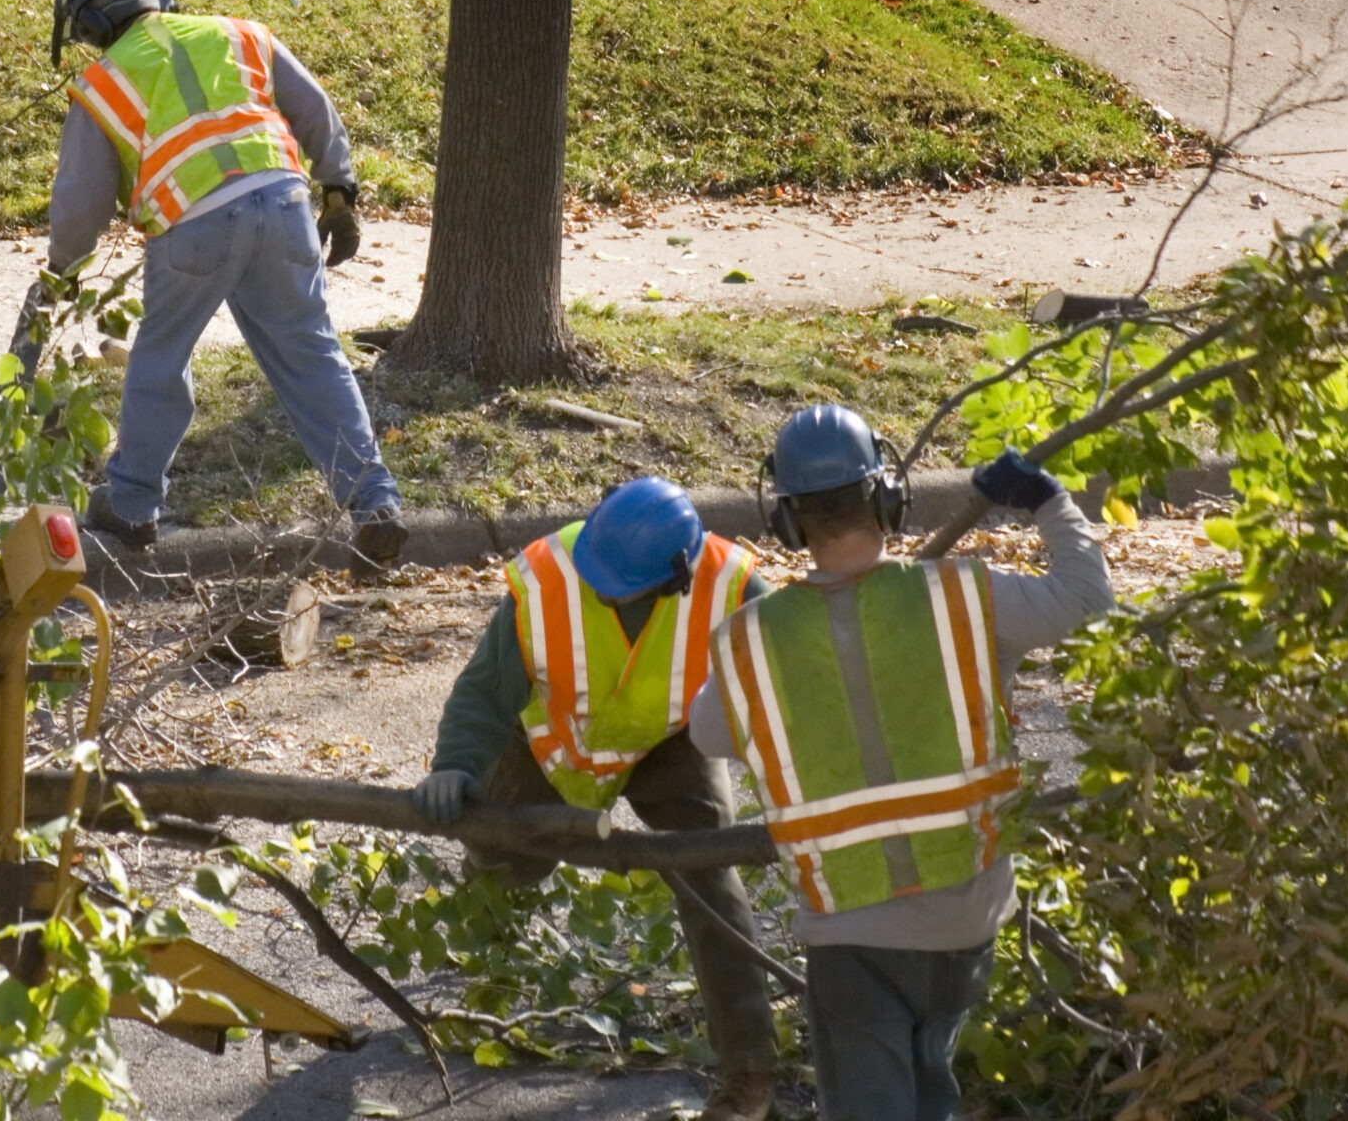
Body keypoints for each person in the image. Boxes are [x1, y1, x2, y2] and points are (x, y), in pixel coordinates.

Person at [690, 406, 1114, 1121]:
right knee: (929, 1088)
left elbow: (709, 737)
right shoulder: (964, 597)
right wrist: (1047, 500)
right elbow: (1086, 595)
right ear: (889, 499)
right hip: (967, 910)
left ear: (788, 522)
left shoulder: (748, 641)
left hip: (849, 924)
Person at [412, 476, 784, 1121]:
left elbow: (792, 690)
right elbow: (484, 691)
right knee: (505, 863)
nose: (599, 589)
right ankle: (486, 964)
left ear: (677, 573)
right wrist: (453, 768)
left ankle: (748, 1068)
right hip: (552, 741)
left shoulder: (733, 586)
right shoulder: (551, 573)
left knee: (709, 874)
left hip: (669, 741)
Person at [36, 0, 405, 568]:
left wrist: (64, 268)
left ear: (93, 23)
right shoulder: (239, 33)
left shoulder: (101, 84)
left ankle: (131, 505)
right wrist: (338, 189)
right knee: (314, 355)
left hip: (194, 225)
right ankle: (374, 503)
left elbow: (80, 202)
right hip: (284, 204)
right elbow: (314, 107)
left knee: (161, 358)